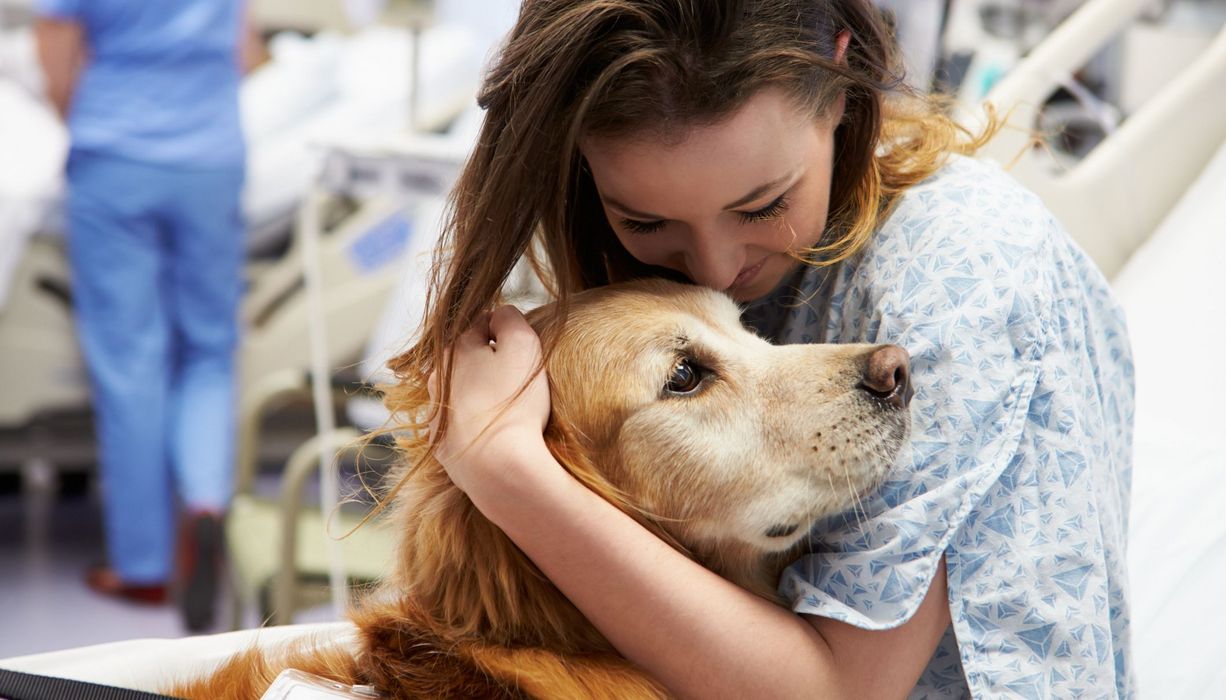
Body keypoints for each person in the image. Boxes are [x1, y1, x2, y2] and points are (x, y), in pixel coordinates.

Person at [399, 0, 1135, 697]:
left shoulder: (963, 270)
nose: (715, 269)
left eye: (762, 206)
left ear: (841, 84)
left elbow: (839, 691)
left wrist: (507, 471)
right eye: (645, 221)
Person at [34, 0, 252, 631]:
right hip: (212, 155)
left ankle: (144, 568)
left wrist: (89, 121)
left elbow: (54, 53)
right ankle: (208, 506)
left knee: (131, 361)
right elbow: (244, 48)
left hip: (116, 153)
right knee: (209, 351)